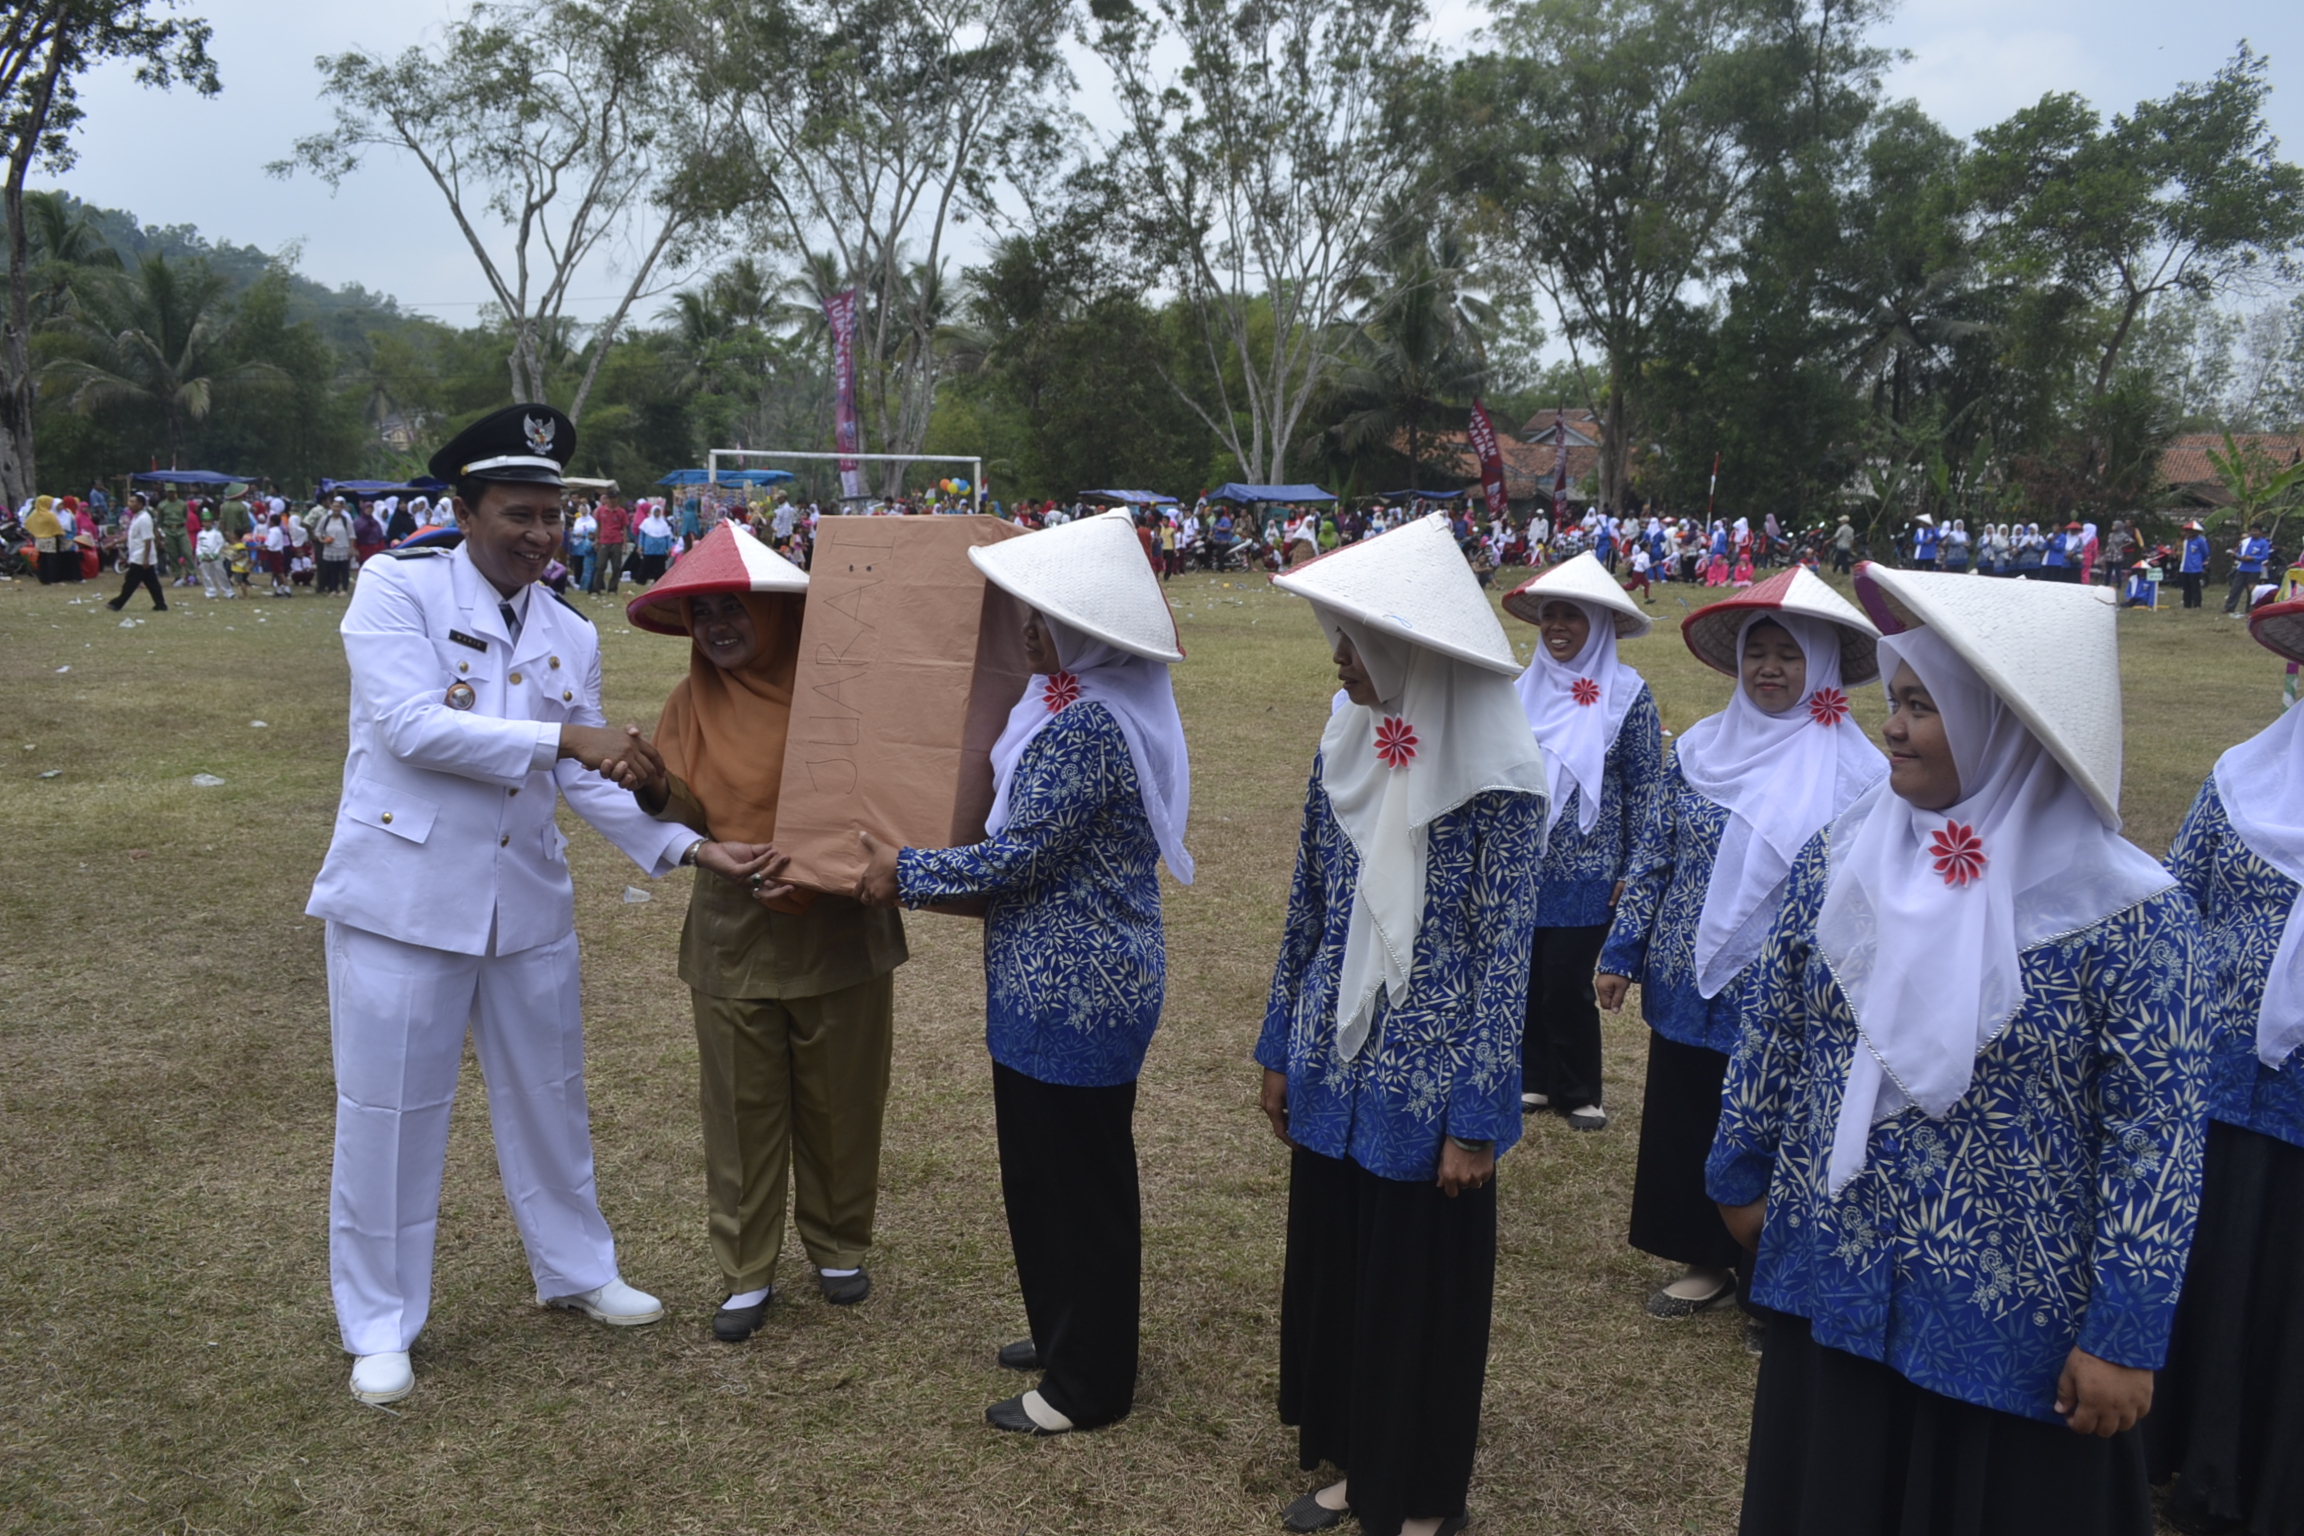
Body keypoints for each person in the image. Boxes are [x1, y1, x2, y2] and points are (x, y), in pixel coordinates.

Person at [1709, 564, 2207, 1536]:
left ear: (2004, 725)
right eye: (1895, 700)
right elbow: (1778, 1020)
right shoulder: (1846, 854)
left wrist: (2125, 1331)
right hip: (1839, 1284)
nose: (1890, 726)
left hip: (2015, 1332)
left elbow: (2160, 1143)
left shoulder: (2131, 917)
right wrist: (1739, 1167)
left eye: (1922, 707)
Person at [305, 404, 702, 1408]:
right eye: (519, 514)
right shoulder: (395, 588)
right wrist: (562, 739)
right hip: (404, 897)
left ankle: (576, 1270)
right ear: (464, 508)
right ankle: (381, 1322)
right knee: (389, 1113)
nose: (540, 535)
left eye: (554, 517)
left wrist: (686, 842)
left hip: (524, 901)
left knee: (551, 1092)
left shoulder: (567, 624)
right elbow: (408, 729)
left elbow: (593, 777)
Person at [855, 509, 1192, 1438]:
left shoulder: (1091, 725)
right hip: (1050, 982)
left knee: (1077, 1182)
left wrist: (903, 871)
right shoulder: (1076, 704)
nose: (1026, 630)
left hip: (1080, 989)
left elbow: (1022, 855)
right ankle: (1064, 1332)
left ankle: (1089, 1384)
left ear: (1085, 629)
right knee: (1042, 1174)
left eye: (1041, 617)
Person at [1257, 511, 1546, 1536]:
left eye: (1352, 638)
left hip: (1428, 1087)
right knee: (1346, 1270)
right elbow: (1308, 906)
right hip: (1336, 1062)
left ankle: (1419, 1493)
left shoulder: (1498, 778)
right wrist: (1277, 1047)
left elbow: (1506, 958)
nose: (1337, 659)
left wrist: (1478, 1117)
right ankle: (1353, 1457)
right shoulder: (1347, 742)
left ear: (1407, 648)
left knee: (1417, 1291)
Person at [606, 523, 910, 1341]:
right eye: (701, 612)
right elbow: (688, 817)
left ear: (775, 611)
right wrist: (653, 789)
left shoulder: (844, 699)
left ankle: (839, 1245)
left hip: (842, 929)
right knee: (740, 1109)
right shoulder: (686, 704)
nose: (717, 626)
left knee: (843, 1100)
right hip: (733, 932)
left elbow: (887, 799)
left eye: (732, 606)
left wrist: (821, 862)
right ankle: (745, 1269)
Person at [1595, 570, 1884, 1334]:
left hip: (1792, 993)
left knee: (1782, 1125)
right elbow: (1655, 856)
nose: (1770, 669)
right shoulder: (1697, 750)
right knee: (1689, 1113)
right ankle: (1703, 1258)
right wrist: (1621, 952)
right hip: (1689, 980)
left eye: (1789, 655)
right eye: (1758, 652)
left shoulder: (1863, 776)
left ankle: (1772, 1277)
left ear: (1819, 665)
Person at [2145, 592, 2304, 1534]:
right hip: (2222, 1087)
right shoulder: (2245, 776)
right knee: (2219, 1274)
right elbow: (2175, 905)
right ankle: (2190, 1464)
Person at [1501, 551, 1665, 1131]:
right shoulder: (1522, 689)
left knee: (1568, 980)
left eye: (1572, 616)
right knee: (1528, 974)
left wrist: (1635, 867)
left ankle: (1579, 1088)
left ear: (1597, 625)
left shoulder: (1626, 695)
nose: (1557, 627)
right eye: (1550, 614)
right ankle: (1535, 1079)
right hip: (1525, 862)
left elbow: (1647, 787)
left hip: (1594, 868)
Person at [107, 496, 167, 612]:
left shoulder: (144, 519)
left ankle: (117, 604)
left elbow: (148, 539)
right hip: (136, 554)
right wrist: (114, 542)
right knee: (152, 582)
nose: (129, 504)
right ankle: (160, 605)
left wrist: (146, 559)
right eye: (129, 501)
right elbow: (129, 536)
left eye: (132, 502)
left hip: (141, 555)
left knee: (130, 581)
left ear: (140, 504)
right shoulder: (136, 518)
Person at [2224, 523, 2271, 615]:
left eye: (2256, 531)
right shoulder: (2245, 541)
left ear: (2261, 532)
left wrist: (2253, 558)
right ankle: (2229, 607)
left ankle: (2249, 609)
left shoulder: (2264, 543)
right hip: (2242, 568)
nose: (2254, 533)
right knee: (2235, 589)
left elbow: (2265, 556)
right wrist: (2238, 556)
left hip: (2254, 569)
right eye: (2252, 531)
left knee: (2251, 591)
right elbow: (2239, 553)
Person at [154, 488, 192, 585]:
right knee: (172, 554)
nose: (171, 493)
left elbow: (185, 516)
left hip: (181, 528)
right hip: (168, 529)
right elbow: (160, 519)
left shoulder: (182, 504)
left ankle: (191, 575)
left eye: (172, 491)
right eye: (168, 491)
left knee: (187, 552)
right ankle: (177, 575)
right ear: (166, 492)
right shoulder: (162, 505)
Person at [316, 500, 355, 596]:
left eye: (338, 507)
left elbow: (351, 535)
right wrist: (321, 539)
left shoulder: (346, 520)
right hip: (330, 548)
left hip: (343, 548)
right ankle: (333, 588)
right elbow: (318, 531)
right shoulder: (325, 519)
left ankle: (344, 589)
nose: (336, 509)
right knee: (332, 570)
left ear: (341, 508)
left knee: (344, 570)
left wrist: (351, 548)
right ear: (331, 507)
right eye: (334, 506)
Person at [593, 497, 631, 593]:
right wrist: (597, 539)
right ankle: (596, 589)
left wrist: (624, 543)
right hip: (604, 540)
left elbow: (624, 528)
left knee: (616, 566)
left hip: (617, 540)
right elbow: (598, 526)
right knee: (600, 565)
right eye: (610, 499)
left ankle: (612, 588)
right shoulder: (601, 510)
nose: (612, 502)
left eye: (614, 499)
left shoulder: (621, 511)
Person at [194, 521, 233, 599]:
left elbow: (220, 544)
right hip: (204, 556)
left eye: (208, 522)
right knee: (206, 575)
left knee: (221, 574)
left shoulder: (217, 533)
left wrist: (214, 555)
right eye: (205, 522)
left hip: (216, 557)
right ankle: (210, 591)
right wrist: (200, 555)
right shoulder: (200, 534)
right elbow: (198, 545)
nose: (207, 524)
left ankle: (228, 591)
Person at [2180, 519, 2210, 609]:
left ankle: (2197, 604)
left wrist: (2199, 561)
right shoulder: (2186, 541)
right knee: (2186, 587)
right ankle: (2187, 604)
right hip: (2186, 567)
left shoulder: (2201, 541)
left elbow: (2206, 553)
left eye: (2191, 530)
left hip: (2195, 567)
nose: (2189, 532)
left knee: (2195, 587)